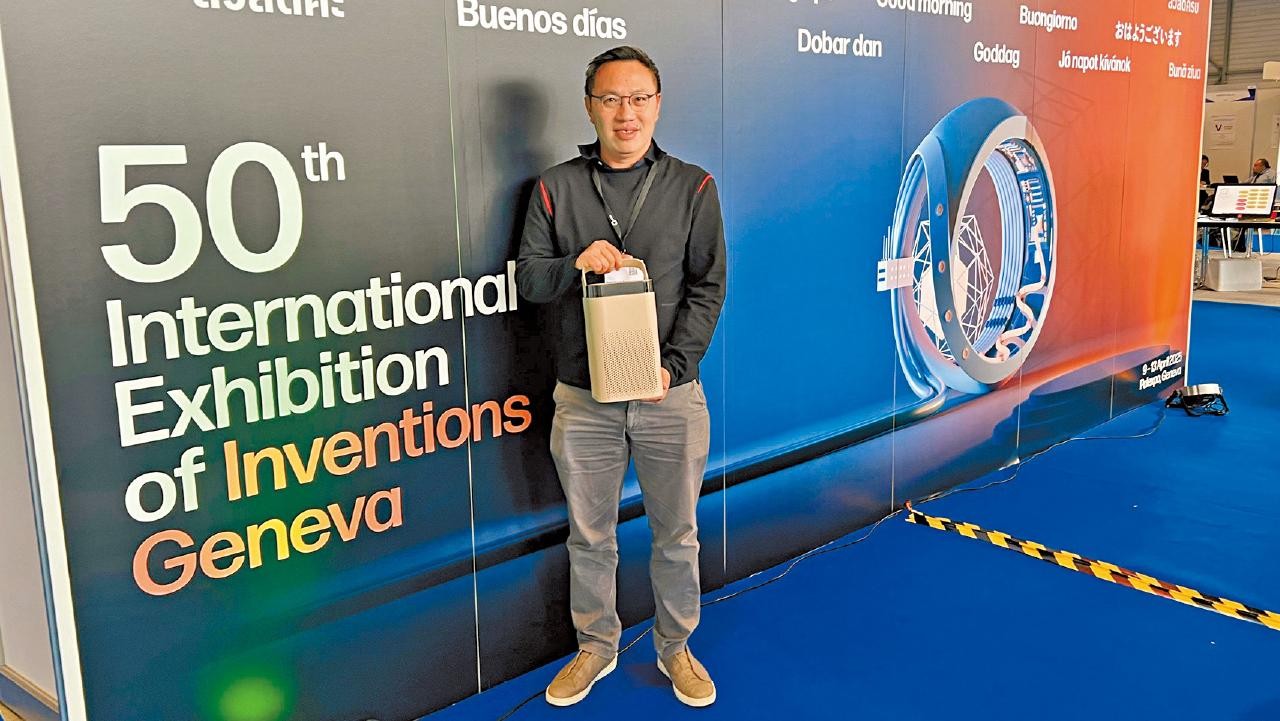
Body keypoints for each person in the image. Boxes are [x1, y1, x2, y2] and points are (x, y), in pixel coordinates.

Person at [515, 46, 726, 708]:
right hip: (584, 400)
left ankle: (675, 646)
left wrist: (673, 366)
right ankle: (596, 646)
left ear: (657, 105)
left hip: (668, 395)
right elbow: (528, 278)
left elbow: (708, 287)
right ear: (590, 107)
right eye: (610, 99)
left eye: (638, 98)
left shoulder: (693, 187)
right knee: (590, 534)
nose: (625, 113)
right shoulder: (555, 187)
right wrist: (575, 261)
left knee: (678, 534)